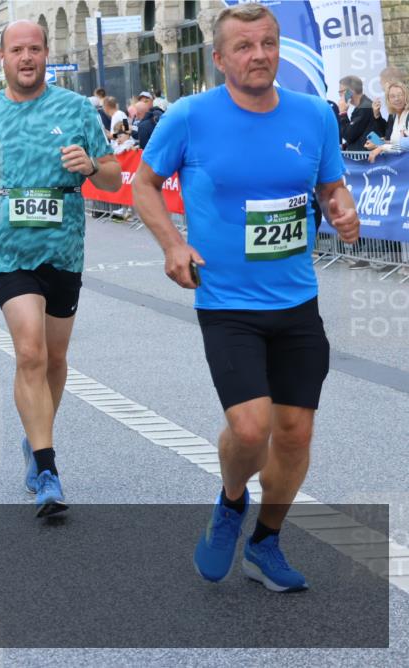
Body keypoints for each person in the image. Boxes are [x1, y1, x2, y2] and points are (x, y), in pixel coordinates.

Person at [131, 3, 360, 592]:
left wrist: (343, 205)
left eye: (267, 43)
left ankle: (265, 543)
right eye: (244, 46)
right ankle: (232, 501)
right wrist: (172, 245)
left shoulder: (314, 116)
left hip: (296, 303)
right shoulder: (190, 116)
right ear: (220, 58)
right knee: (252, 430)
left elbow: (330, 185)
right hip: (228, 304)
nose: (258, 55)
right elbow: (144, 185)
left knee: (295, 432)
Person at [0, 19, 120, 517]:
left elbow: (111, 176)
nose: (27, 57)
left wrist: (90, 166)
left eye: (35, 49)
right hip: (6, 248)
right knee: (30, 351)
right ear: (1, 58)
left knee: (56, 359)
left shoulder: (74, 109)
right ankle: (47, 468)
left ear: (47, 54)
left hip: (63, 249)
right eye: (17, 50)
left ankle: (35, 437)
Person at [366, 80, 408, 163]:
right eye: (392, 96)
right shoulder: (394, 116)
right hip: (397, 165)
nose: (397, 99)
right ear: (388, 100)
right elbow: (395, 142)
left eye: (400, 95)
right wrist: (380, 143)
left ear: (406, 96)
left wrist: (382, 147)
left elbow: (406, 146)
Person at [337, 75, 374, 151]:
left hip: (363, 161)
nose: (340, 95)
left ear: (351, 91)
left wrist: (343, 113)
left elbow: (349, 135)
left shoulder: (365, 108)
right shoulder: (362, 106)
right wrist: (345, 146)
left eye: (341, 91)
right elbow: (358, 134)